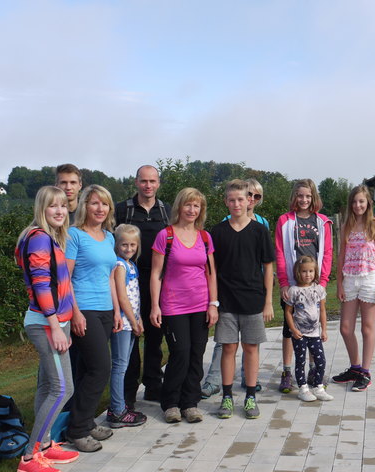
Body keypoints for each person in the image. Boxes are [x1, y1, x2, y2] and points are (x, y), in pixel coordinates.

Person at [15, 186, 80, 472]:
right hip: (46, 324)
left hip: (55, 322)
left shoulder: (47, 238)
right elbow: (41, 285)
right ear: (42, 208)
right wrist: (55, 327)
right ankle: (30, 457)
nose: (59, 211)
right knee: (62, 388)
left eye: (63, 206)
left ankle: (46, 444)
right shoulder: (40, 239)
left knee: (46, 387)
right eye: (53, 206)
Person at [149, 188, 218, 424]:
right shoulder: (165, 235)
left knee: (197, 353)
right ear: (179, 207)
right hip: (173, 306)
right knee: (180, 353)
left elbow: (211, 273)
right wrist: (155, 306)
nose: (192, 210)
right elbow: (156, 273)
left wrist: (213, 304)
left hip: (200, 304)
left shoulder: (205, 237)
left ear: (201, 210)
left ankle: (190, 403)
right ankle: (170, 403)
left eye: (196, 206)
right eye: (188, 205)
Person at [211, 180, 274, 420]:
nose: (237, 204)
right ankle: (227, 397)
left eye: (241, 199)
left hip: (253, 300)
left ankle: (250, 396)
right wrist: (214, 302)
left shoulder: (259, 230)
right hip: (226, 301)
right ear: (226, 202)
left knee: (251, 348)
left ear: (249, 200)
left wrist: (268, 301)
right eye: (232, 200)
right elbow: (212, 270)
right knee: (228, 347)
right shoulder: (217, 232)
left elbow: (268, 267)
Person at [66, 185, 122, 452]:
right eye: (94, 203)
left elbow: (110, 276)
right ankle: (76, 431)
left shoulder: (109, 237)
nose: (100, 209)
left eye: (105, 204)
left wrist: (117, 311)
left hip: (105, 310)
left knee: (87, 370)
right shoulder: (74, 235)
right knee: (101, 368)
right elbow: (65, 278)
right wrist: (75, 312)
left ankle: (85, 422)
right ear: (84, 206)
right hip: (84, 309)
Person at [114, 165, 171, 407]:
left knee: (155, 334)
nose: (148, 185)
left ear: (158, 183)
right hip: (128, 280)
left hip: (158, 280)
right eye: (144, 181)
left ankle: (153, 385)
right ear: (136, 182)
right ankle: (128, 391)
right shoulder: (122, 209)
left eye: (153, 181)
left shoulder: (167, 211)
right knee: (131, 335)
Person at [275, 179, 332, 394]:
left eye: (308, 196)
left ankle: (313, 371)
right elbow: (280, 252)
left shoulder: (323, 222)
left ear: (313, 197)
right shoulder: (285, 221)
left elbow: (327, 253)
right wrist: (283, 282)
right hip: (292, 283)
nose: (304, 200)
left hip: (314, 283)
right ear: (295, 197)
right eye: (300, 195)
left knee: (313, 326)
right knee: (290, 329)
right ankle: (288, 372)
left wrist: (323, 281)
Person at [332, 185, 375, 392]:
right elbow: (341, 256)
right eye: (354, 202)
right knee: (345, 328)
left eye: (361, 201)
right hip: (350, 279)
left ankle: (365, 372)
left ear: (368, 203)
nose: (358, 205)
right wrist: (338, 283)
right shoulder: (346, 225)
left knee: (367, 327)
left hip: (370, 279)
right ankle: (354, 368)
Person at [107, 224, 147, 428]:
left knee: (124, 364)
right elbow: (122, 296)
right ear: (117, 244)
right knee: (120, 366)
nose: (129, 248)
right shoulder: (119, 265)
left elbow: (134, 296)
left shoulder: (130, 264)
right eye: (124, 244)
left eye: (132, 244)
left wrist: (138, 318)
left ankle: (119, 405)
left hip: (131, 321)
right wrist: (132, 319)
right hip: (123, 322)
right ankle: (117, 409)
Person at [284, 256, 333, 402]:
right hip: (299, 334)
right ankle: (303, 388)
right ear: (298, 273)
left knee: (321, 361)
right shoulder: (293, 291)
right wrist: (293, 329)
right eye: (304, 271)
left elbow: (323, 310)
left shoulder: (319, 290)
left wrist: (324, 330)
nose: (308, 274)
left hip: (315, 333)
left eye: (311, 271)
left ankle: (318, 387)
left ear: (315, 271)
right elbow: (288, 312)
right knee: (301, 361)